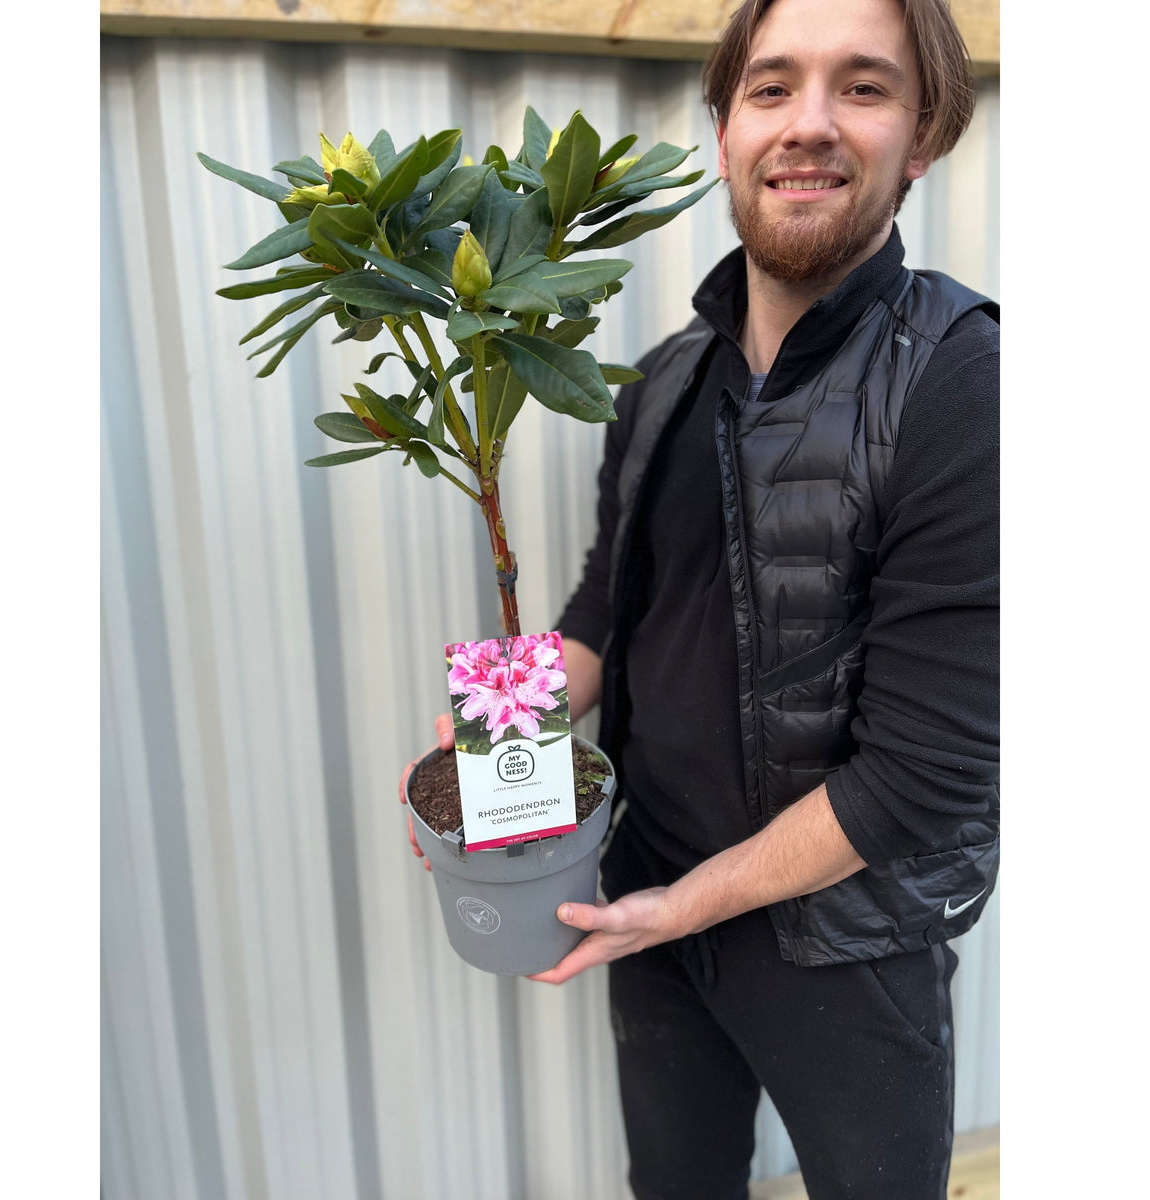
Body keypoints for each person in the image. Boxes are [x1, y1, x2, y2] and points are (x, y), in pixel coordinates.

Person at [402, 0, 998, 1195]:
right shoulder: (664, 380)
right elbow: (605, 615)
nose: (810, 124)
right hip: (645, 892)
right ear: (724, 127)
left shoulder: (964, 386)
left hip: (849, 943)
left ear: (923, 133)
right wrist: (493, 737)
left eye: (864, 87)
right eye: (772, 88)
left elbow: (925, 777)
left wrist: (678, 908)